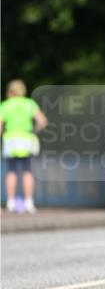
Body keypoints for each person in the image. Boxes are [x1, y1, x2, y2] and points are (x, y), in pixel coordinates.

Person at [0, 79, 48, 214]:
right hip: (26, 139)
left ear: (10, 92)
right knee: (27, 170)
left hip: (10, 140)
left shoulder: (5, 105)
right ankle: (29, 202)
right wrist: (34, 130)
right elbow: (43, 121)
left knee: (11, 171)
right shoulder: (29, 104)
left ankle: (10, 202)